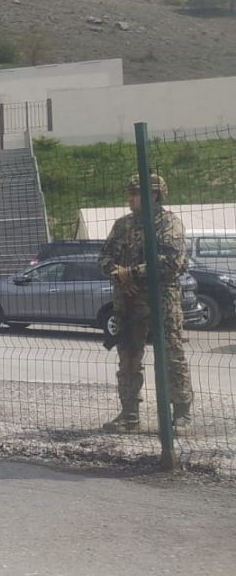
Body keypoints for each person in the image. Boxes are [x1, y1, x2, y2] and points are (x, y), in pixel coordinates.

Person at [98, 173, 193, 433]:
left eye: (135, 194)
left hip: (161, 300)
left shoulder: (169, 224)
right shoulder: (123, 225)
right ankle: (129, 414)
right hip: (128, 302)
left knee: (171, 356)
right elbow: (104, 257)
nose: (129, 199)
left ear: (153, 195)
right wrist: (118, 273)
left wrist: (132, 273)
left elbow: (171, 262)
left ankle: (181, 414)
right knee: (128, 357)